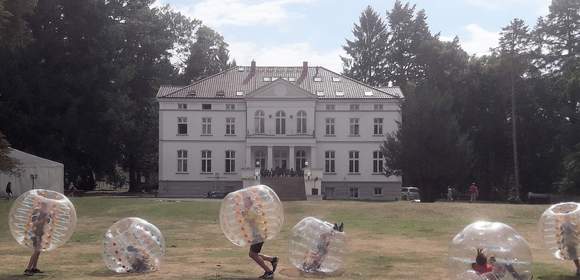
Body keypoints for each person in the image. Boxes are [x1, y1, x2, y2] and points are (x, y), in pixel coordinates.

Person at [242, 195, 278, 279]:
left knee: (253, 254)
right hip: (259, 234)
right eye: (244, 202)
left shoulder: (252, 210)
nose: (244, 203)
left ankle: (269, 272)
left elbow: (250, 220)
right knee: (253, 254)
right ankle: (272, 259)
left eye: (245, 201)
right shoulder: (253, 209)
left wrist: (244, 215)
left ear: (250, 202)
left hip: (258, 235)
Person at [24, 200, 53, 276]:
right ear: (41, 206)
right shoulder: (36, 214)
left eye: (46, 207)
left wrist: (48, 217)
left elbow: (47, 222)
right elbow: (34, 224)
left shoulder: (45, 214)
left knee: (38, 251)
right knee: (36, 251)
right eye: (44, 206)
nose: (45, 208)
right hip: (35, 234)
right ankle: (28, 269)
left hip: (40, 234)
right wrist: (43, 219)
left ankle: (34, 268)